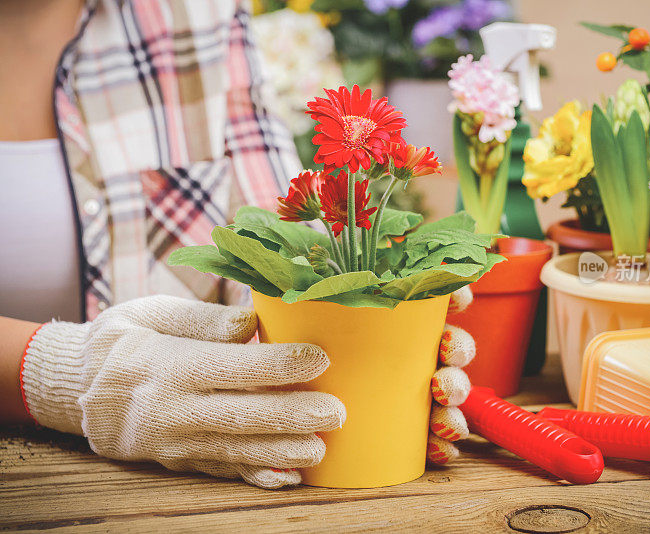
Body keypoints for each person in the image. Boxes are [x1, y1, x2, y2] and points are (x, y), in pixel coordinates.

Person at [0, 0, 474, 489]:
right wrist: (66, 376)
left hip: (187, 488)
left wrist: (374, 320)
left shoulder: (201, 11)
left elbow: (281, 232)